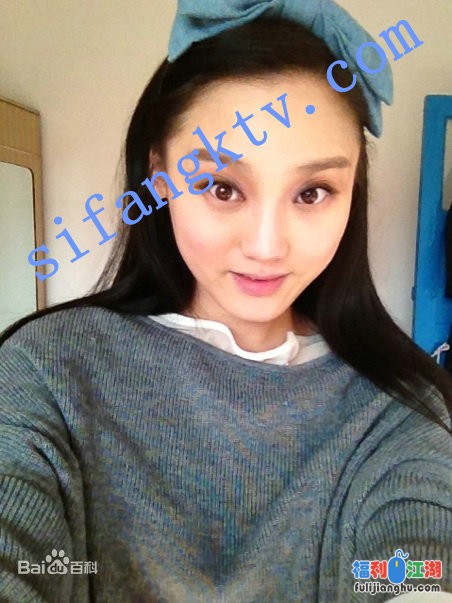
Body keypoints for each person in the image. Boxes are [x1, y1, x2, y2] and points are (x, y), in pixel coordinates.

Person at [0, 1, 451, 602]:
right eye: (221, 187)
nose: (267, 246)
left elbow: (417, 569)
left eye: (313, 192)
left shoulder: (396, 408)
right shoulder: (49, 370)